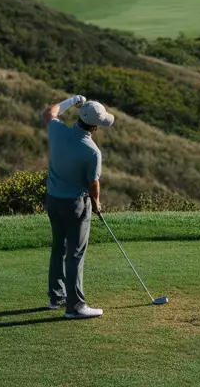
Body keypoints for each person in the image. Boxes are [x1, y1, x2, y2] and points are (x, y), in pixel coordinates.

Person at [41, 94, 115, 319]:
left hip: (52, 201)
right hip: (75, 205)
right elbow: (93, 184)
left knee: (58, 248)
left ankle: (57, 297)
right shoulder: (92, 151)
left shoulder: (57, 130)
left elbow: (49, 112)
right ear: (95, 126)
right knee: (75, 254)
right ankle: (75, 307)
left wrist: (73, 100)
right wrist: (97, 203)